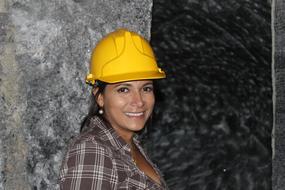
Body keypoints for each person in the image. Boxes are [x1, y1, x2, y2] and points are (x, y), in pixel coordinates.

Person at [59, 28, 168, 189]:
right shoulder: (92, 150)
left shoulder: (129, 145)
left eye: (146, 88)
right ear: (100, 96)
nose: (138, 102)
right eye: (124, 89)